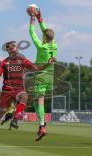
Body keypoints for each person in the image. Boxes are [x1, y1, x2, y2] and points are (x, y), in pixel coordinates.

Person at [0, 41, 52, 142]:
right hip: (7, 92)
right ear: (9, 50)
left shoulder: (22, 60)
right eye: (14, 46)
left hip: (19, 90)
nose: (16, 48)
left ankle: (15, 119)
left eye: (16, 46)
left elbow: (36, 68)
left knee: (24, 96)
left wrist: (47, 64)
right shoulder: (3, 63)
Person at [27, 7, 58, 141]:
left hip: (41, 75)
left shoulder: (41, 47)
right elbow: (46, 32)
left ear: (44, 37)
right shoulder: (55, 45)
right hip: (50, 76)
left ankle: (41, 126)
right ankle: (41, 123)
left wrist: (32, 19)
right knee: (35, 100)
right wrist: (40, 18)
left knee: (40, 101)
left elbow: (32, 33)